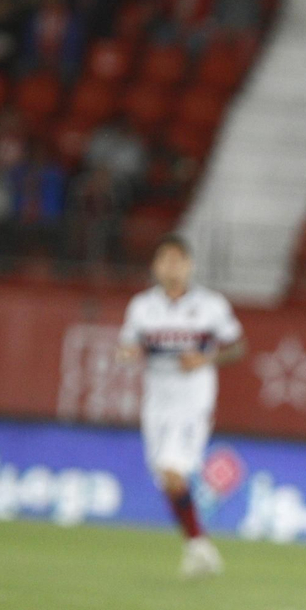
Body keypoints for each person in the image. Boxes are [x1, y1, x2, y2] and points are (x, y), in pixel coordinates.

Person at [117, 233, 247, 578]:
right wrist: (129, 353)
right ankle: (198, 545)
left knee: (174, 471)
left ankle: (199, 544)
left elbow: (237, 347)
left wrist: (205, 359)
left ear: (189, 265)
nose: (171, 267)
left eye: (178, 260)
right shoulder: (142, 307)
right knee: (166, 477)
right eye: (165, 260)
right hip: (157, 400)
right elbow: (126, 347)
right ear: (155, 266)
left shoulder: (211, 305)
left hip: (193, 399)